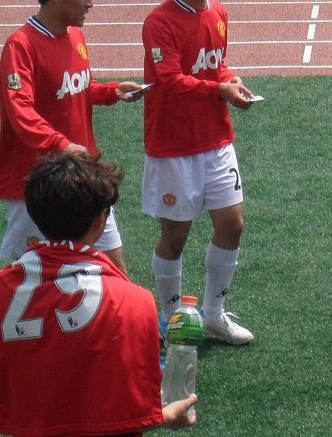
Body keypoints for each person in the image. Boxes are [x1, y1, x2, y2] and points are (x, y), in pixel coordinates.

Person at [0, 153, 198, 437]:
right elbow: (133, 412)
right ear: (100, 221)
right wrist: (165, 416)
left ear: (33, 213)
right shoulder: (135, 302)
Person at [142, 0, 259, 346]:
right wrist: (218, 89)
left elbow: (216, 65)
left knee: (233, 224)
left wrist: (231, 80)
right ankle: (172, 317)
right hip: (174, 146)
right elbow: (169, 81)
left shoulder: (219, 13)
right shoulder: (160, 22)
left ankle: (213, 313)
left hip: (216, 140)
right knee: (175, 237)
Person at [1, 0, 145, 274]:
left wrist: (112, 91)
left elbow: (78, 87)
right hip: (38, 184)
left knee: (113, 268)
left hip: (83, 173)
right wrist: (61, 144)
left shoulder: (75, 35)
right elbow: (19, 111)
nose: (90, 3)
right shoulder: (20, 46)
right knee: (34, 276)